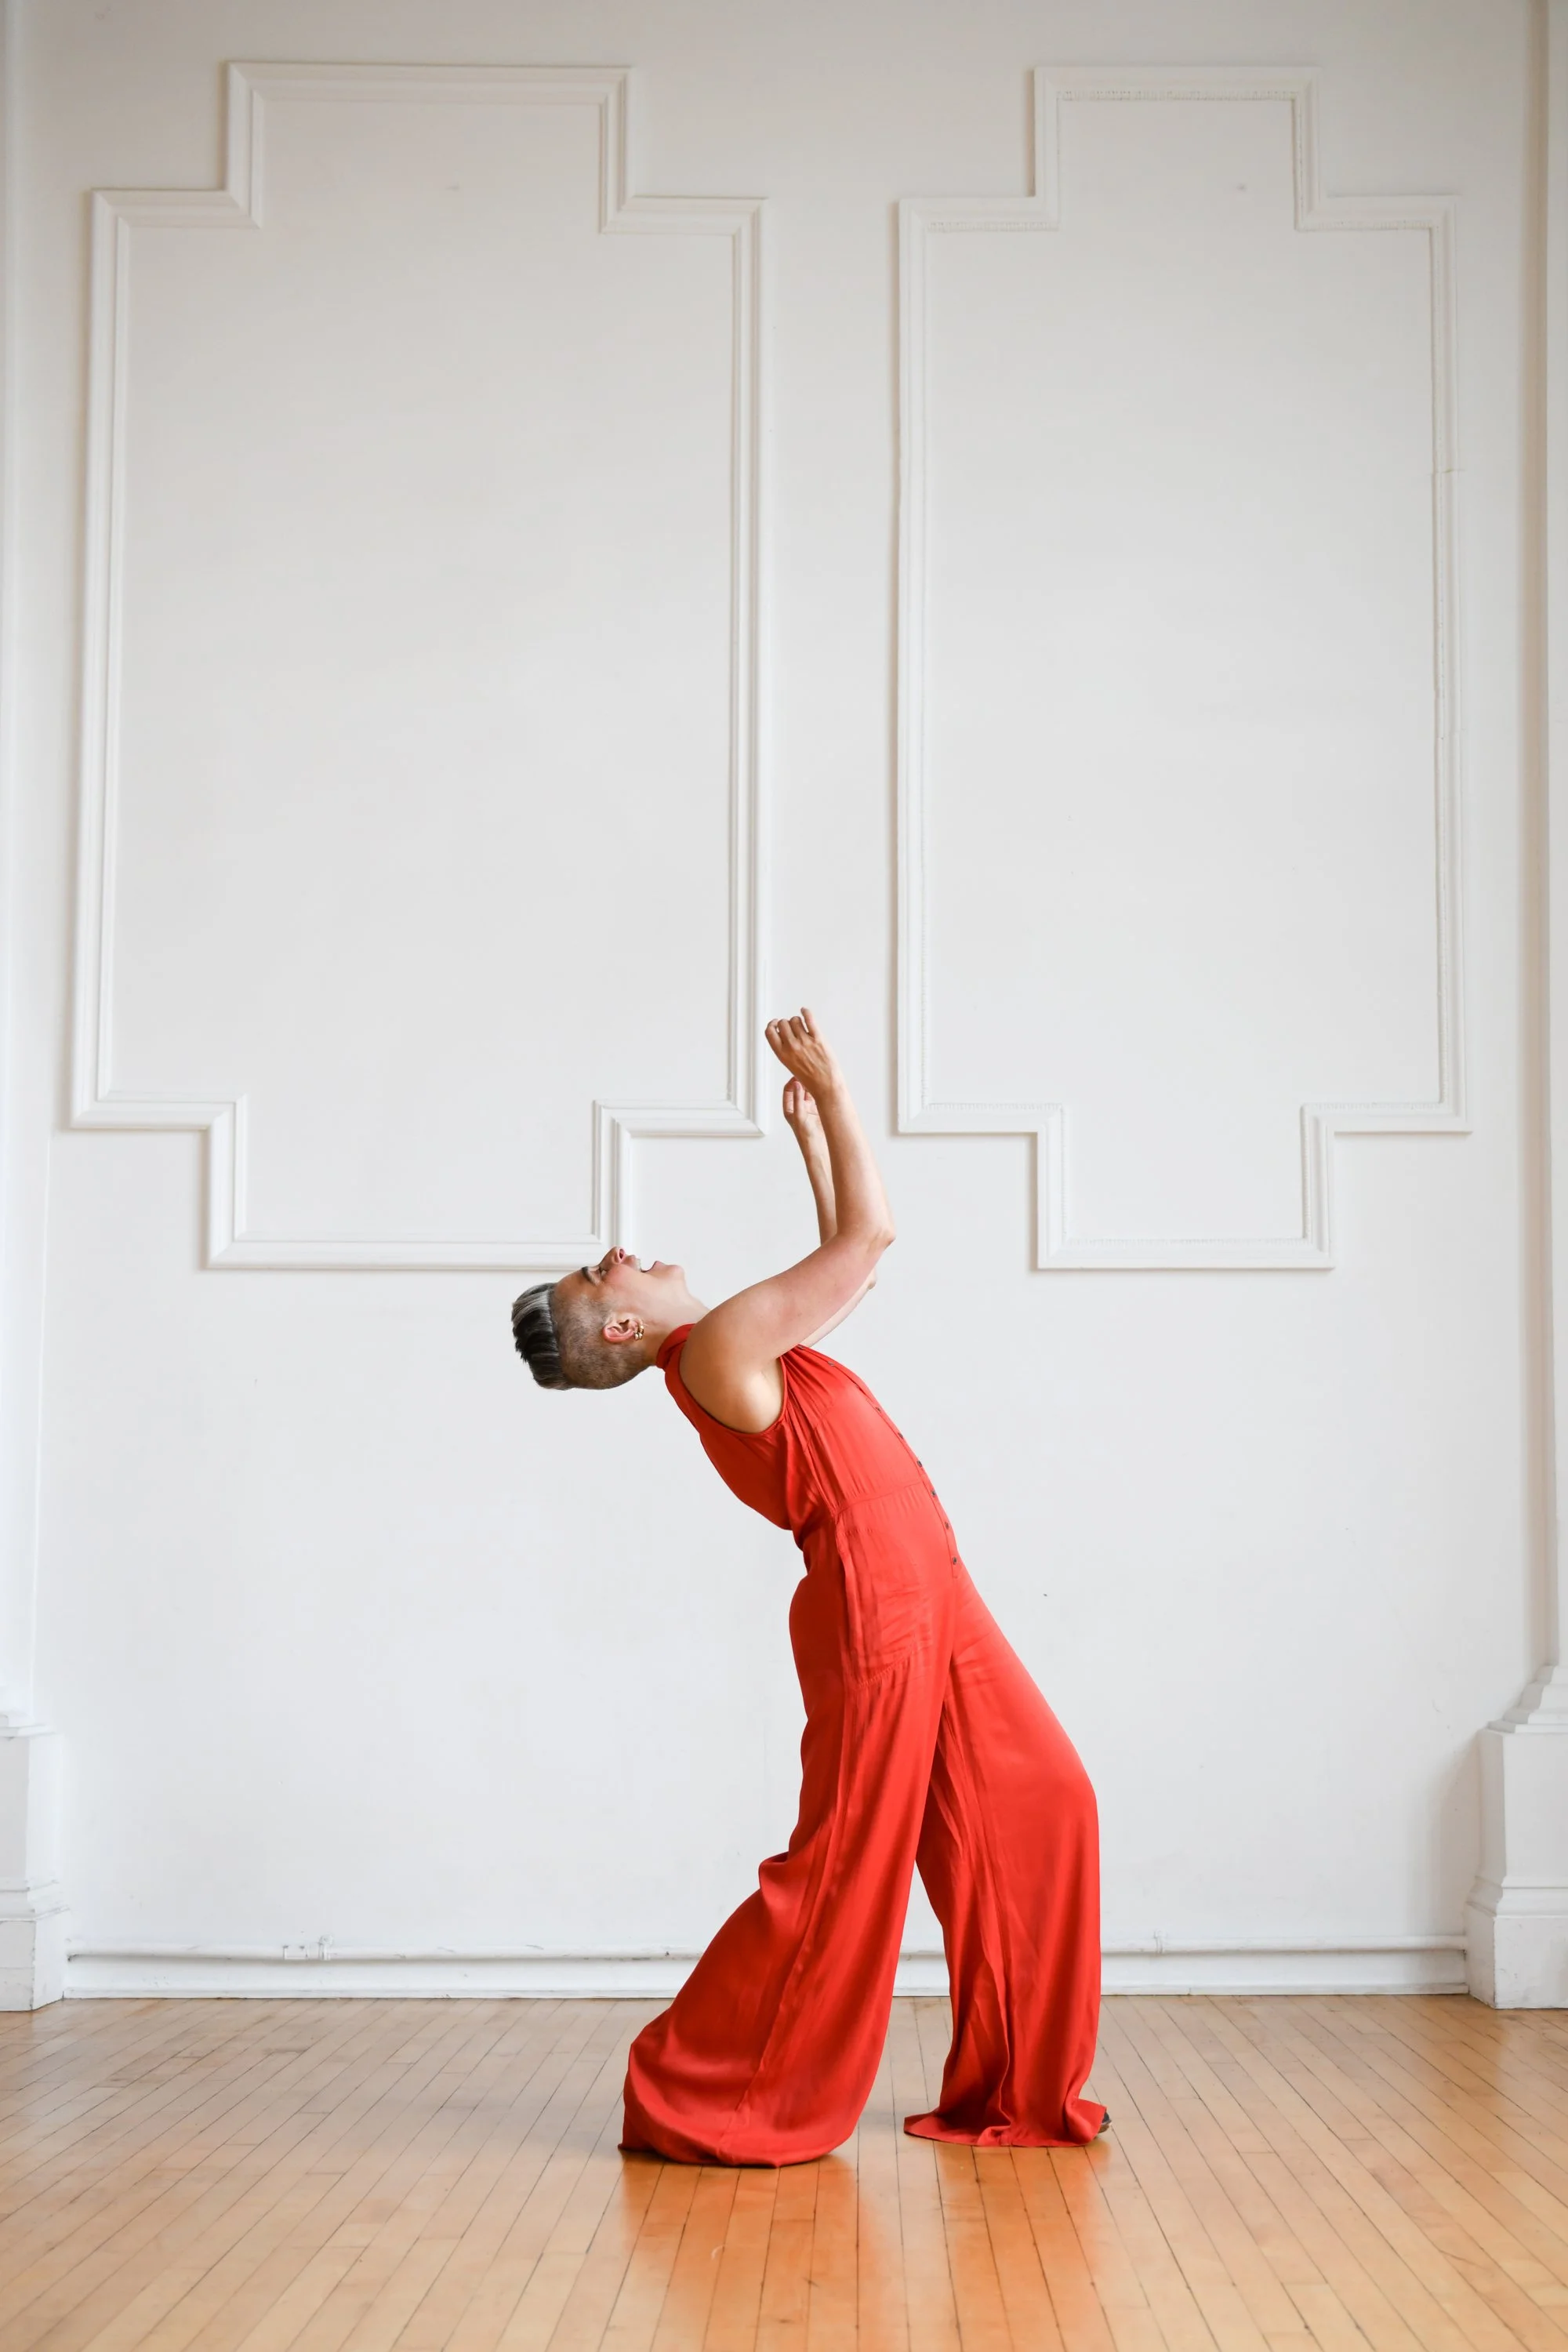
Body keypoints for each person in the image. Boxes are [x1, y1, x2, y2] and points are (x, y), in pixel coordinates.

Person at [511, 1009, 1107, 2165]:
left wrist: (810, 1143)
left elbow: (845, 1251)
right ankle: (708, 2088)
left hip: (927, 1577)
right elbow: (871, 1241)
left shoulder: (727, 1344)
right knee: (847, 1857)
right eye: (602, 1270)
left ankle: (1014, 2088)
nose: (622, 1250)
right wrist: (834, 1094)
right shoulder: (722, 1348)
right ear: (623, 1323)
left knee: (1044, 1800)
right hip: (875, 1601)